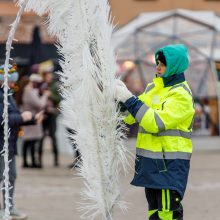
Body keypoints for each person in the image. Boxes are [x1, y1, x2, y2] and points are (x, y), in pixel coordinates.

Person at [115, 44, 195, 220]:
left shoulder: (181, 94)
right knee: (154, 213)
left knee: (167, 215)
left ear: (175, 66)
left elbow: (155, 122)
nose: (158, 67)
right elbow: (131, 116)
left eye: (163, 64)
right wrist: (118, 102)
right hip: (151, 164)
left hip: (169, 165)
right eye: (157, 62)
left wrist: (129, 99)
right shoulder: (154, 88)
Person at [0, 64, 43, 219]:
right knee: (1, 177)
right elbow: (3, 118)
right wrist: (21, 117)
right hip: (1, 146)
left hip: (9, 144)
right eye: (10, 81)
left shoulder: (8, 95)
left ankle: (9, 208)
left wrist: (32, 120)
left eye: (13, 81)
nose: (13, 84)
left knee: (11, 176)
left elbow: (14, 118)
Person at [21, 74, 49, 168]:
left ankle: (28, 162)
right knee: (31, 140)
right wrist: (45, 95)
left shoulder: (29, 90)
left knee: (29, 141)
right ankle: (30, 162)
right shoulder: (29, 91)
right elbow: (40, 104)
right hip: (31, 118)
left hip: (30, 117)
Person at [38, 71, 61, 167]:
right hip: (43, 115)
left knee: (53, 136)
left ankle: (56, 160)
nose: (49, 77)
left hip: (52, 115)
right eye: (47, 76)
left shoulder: (55, 86)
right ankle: (39, 160)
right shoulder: (41, 86)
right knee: (41, 137)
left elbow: (58, 99)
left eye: (50, 76)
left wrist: (50, 94)